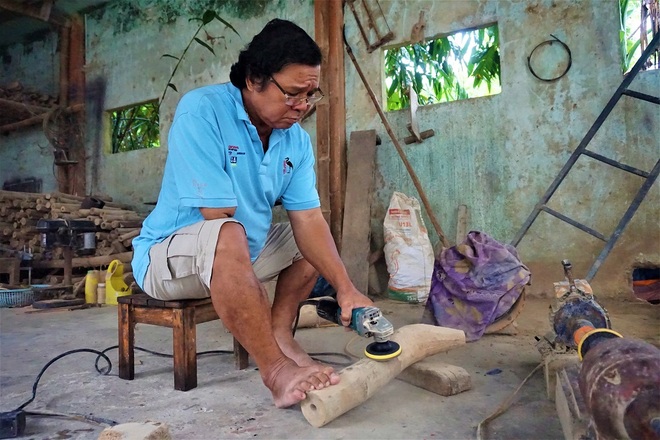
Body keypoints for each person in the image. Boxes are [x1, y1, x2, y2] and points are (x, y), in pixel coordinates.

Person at [131, 18, 373, 408]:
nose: (303, 106)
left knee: (309, 238)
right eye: (294, 93)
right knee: (228, 231)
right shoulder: (202, 111)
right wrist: (252, 296)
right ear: (254, 79)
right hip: (167, 260)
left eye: (312, 94)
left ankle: (281, 335)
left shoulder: (295, 140)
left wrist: (347, 289)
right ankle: (275, 369)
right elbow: (217, 214)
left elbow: (309, 220)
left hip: (239, 254)